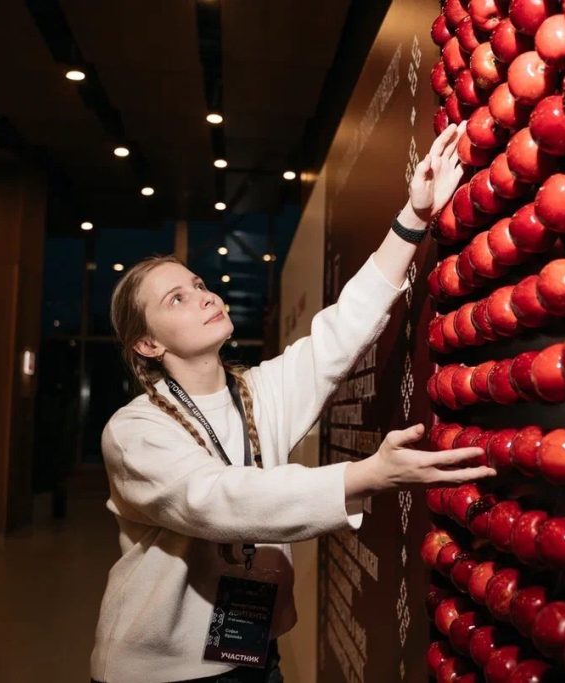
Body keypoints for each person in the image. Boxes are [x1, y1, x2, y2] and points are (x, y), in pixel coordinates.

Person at [90, 123, 491, 683]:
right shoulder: (134, 431)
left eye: (199, 284)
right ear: (147, 345)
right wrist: (366, 475)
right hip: (159, 674)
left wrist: (413, 217)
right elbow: (214, 501)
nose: (204, 296)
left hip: (255, 654)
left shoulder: (257, 393)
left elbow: (342, 330)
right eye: (176, 299)